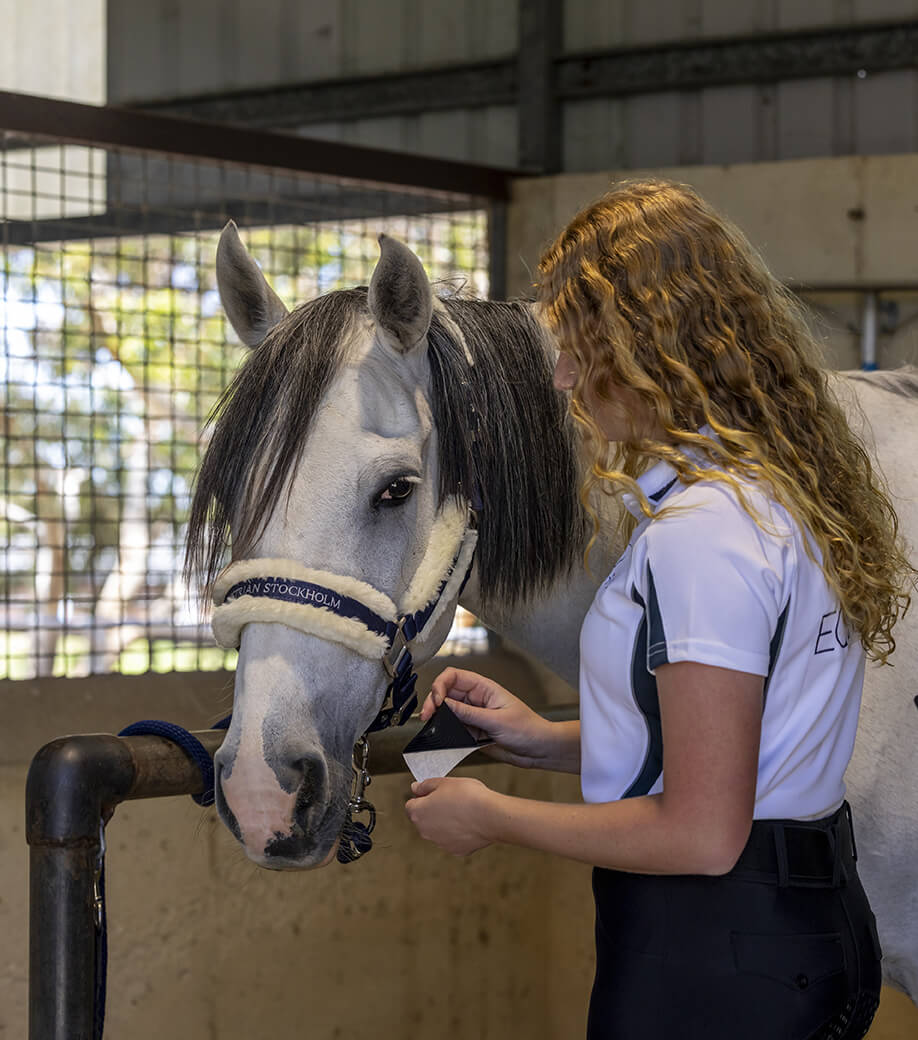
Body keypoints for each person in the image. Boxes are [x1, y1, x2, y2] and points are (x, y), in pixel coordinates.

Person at [404, 179, 915, 1040]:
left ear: (652, 347)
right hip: (800, 929)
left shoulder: (702, 535)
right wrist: (539, 741)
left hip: (713, 956)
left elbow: (706, 832)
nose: (562, 378)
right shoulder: (782, 497)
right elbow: (745, 751)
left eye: (577, 348)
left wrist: (492, 818)